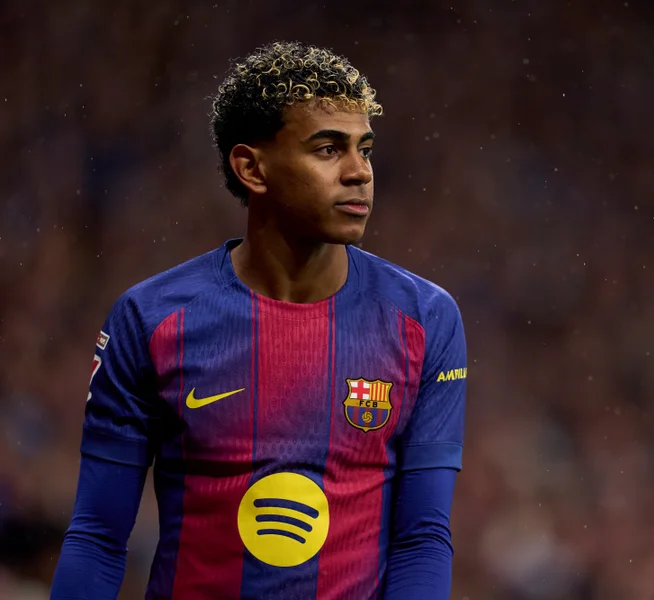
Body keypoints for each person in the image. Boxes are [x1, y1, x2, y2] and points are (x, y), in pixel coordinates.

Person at [49, 41, 467, 600]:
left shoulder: (425, 319)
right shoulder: (151, 319)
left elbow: (422, 540)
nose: (359, 173)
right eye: (328, 149)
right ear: (251, 167)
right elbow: (99, 537)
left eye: (364, 150)